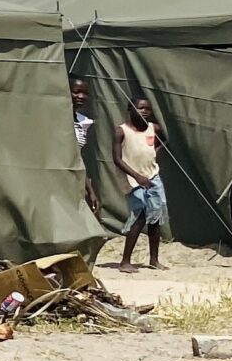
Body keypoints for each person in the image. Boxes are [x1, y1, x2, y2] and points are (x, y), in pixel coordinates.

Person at [113, 94, 167, 272]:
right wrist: (137, 176)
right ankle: (125, 261)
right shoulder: (121, 131)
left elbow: (163, 140)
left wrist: (153, 155)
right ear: (130, 109)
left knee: (155, 217)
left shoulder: (153, 128)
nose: (145, 111)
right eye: (141, 108)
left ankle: (154, 259)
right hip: (132, 179)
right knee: (140, 215)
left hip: (152, 176)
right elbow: (117, 159)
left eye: (148, 109)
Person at [70, 77, 101, 223]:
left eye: (85, 93)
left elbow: (79, 160)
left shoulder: (83, 122)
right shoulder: (55, 120)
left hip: (74, 181)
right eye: (76, 92)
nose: (81, 96)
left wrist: (90, 191)